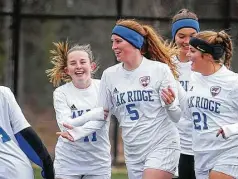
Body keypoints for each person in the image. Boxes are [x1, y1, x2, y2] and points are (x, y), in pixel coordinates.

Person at [58, 19, 184, 179]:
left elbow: (177, 116)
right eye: (112, 42)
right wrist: (78, 132)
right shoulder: (109, 75)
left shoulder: (159, 70)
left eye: (118, 41)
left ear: (134, 42)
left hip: (163, 145)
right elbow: (100, 116)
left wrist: (171, 105)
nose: (113, 47)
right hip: (133, 151)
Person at [181, 30, 238, 179]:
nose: (188, 55)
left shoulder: (234, 82)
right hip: (202, 155)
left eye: (193, 51)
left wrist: (232, 129)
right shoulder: (193, 78)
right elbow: (188, 115)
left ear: (208, 56)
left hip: (231, 153)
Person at [46, 42, 111, 179]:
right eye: (73, 63)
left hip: (98, 162)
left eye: (82, 62)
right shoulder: (61, 93)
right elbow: (66, 125)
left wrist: (78, 131)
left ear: (91, 66)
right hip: (68, 162)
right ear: (67, 70)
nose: (78, 66)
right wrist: (93, 114)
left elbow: (101, 121)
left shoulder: (103, 87)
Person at [0, 86, 54, 179]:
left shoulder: (3, 93)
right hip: (17, 170)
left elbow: (24, 134)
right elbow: (24, 134)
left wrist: (47, 164)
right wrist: (47, 165)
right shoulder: (3, 92)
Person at [171, 8, 200, 179]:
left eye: (192, 35)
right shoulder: (165, 64)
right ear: (174, 36)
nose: (187, 41)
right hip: (173, 144)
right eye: (181, 36)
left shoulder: (206, 63)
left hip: (201, 144)